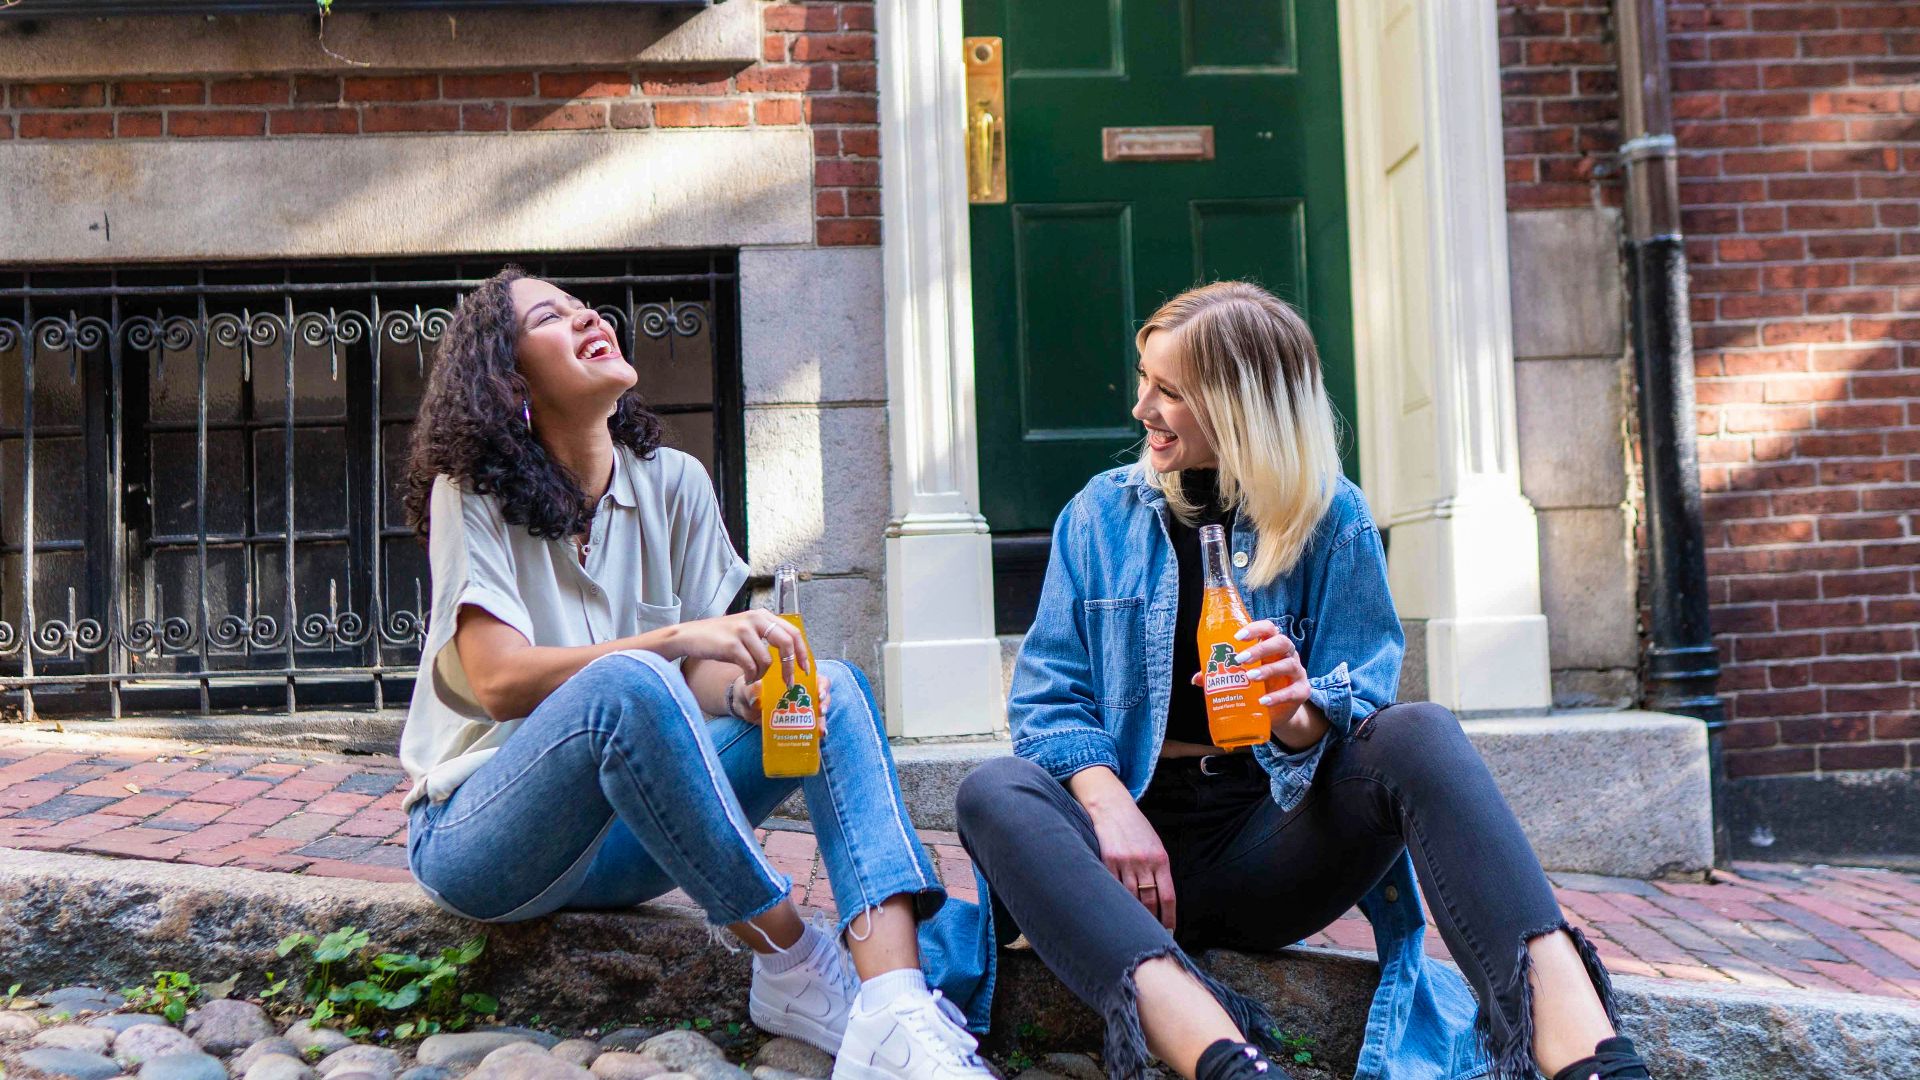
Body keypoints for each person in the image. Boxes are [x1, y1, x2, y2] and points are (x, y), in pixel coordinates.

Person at [954, 282, 1655, 1080]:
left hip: (1271, 845)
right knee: (993, 789)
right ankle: (1224, 1061)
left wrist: (1298, 711)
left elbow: (1365, 700)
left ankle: (1586, 1055)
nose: (1142, 407)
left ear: (1242, 403)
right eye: (1143, 379)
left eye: (1171, 391)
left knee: (1419, 731)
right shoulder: (1098, 515)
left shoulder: (1333, 517)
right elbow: (1046, 698)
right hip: (1119, 865)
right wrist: (1107, 802)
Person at [399, 267, 993, 1080]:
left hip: (638, 836)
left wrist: (745, 694)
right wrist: (677, 640)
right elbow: (499, 681)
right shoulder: (471, 494)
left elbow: (705, 680)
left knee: (836, 688)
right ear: (508, 379)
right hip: (488, 838)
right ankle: (790, 955)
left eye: (585, 307)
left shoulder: (672, 481)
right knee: (631, 682)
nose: (586, 319)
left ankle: (894, 1005)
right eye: (550, 316)